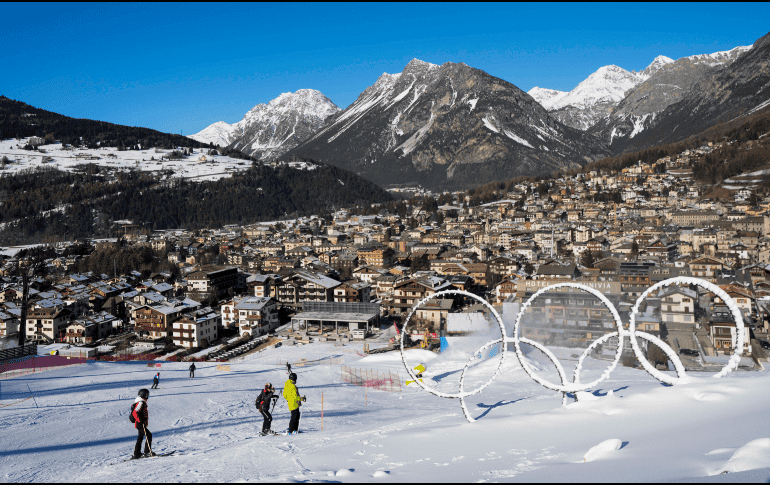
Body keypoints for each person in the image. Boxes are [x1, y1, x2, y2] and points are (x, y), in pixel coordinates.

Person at [131, 388, 156, 459]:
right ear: (143, 395)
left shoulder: (141, 402)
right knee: (149, 435)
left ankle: (137, 454)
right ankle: (147, 452)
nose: (147, 396)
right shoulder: (140, 403)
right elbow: (135, 412)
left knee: (140, 438)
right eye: (146, 395)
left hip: (141, 423)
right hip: (140, 423)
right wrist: (139, 420)